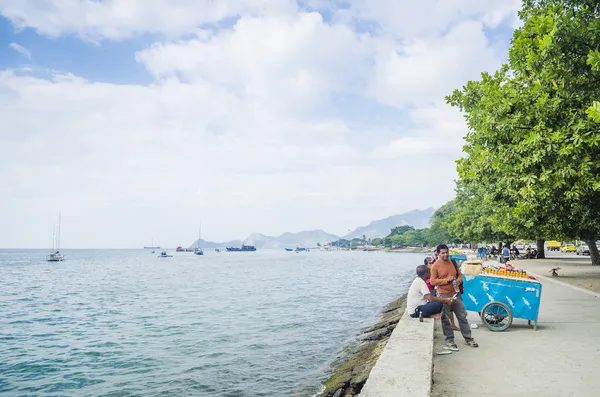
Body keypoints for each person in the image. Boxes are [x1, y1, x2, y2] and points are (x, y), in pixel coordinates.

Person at [430, 244, 479, 350]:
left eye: (447, 252)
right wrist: (446, 280)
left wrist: (457, 281)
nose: (445, 254)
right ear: (438, 253)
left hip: (456, 294)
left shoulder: (452, 262)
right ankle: (449, 340)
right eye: (443, 253)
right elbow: (432, 281)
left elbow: (460, 275)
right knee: (445, 318)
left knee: (462, 316)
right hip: (443, 295)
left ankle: (468, 338)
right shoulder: (435, 266)